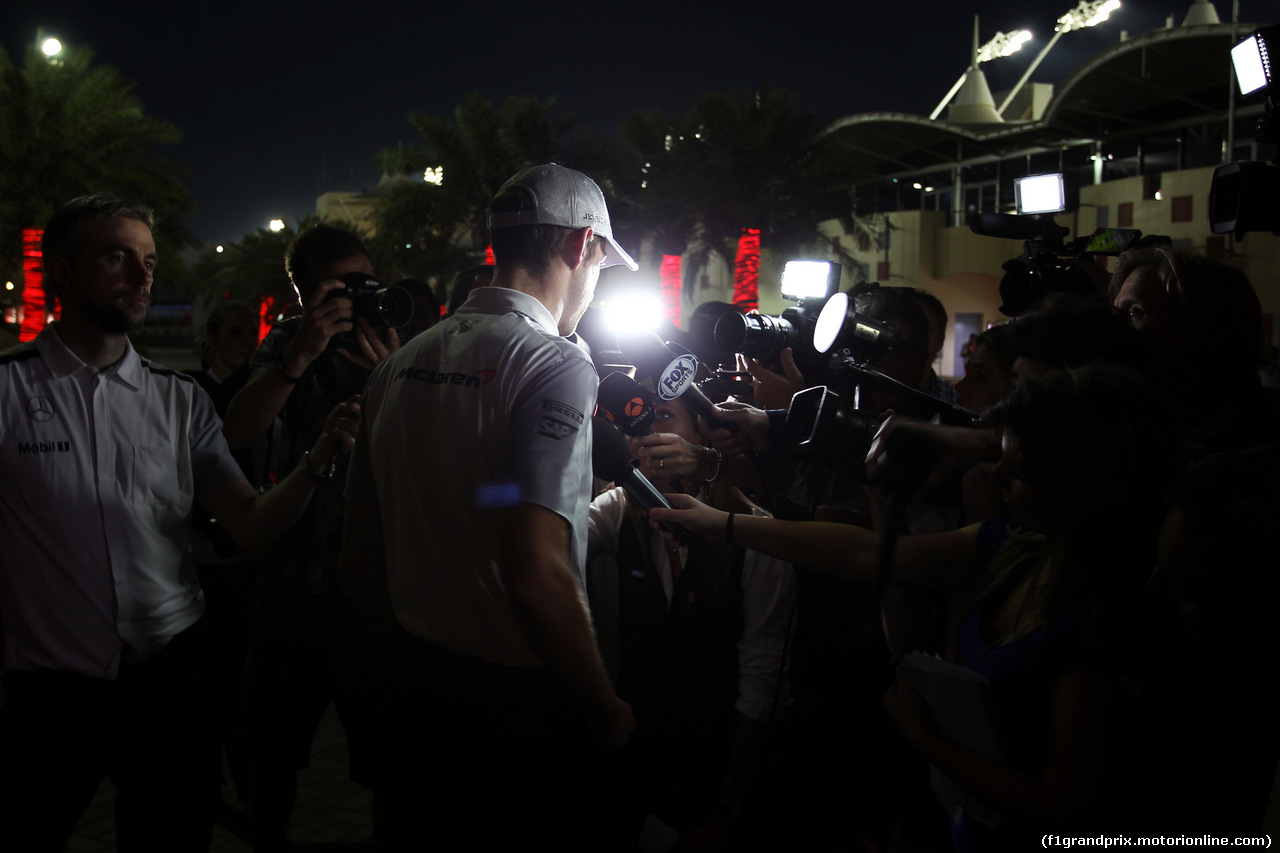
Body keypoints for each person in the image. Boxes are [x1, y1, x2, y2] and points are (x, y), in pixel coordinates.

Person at [653, 364, 1180, 849]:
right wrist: (720, 523)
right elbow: (866, 557)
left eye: (1017, 471)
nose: (996, 479)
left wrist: (923, 737)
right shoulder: (1012, 545)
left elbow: (1065, 805)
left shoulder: (1101, 613)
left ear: (1077, 482)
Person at [0, 194, 354, 851]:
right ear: (63, 272)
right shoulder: (9, 393)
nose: (142, 277)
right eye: (117, 257)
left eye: (150, 261)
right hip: (47, 694)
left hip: (170, 686)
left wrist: (317, 461)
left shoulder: (178, 399)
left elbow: (248, 522)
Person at [339, 163, 638, 847]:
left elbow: (360, 557)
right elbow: (537, 573)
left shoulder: (398, 363)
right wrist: (603, 704)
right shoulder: (553, 364)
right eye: (601, 265)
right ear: (580, 244)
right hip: (519, 711)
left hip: (416, 693)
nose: (595, 287)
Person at [221, 223, 395, 850]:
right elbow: (238, 430)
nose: (361, 297)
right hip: (292, 583)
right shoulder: (287, 344)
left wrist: (392, 377)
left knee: (388, 768)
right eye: (346, 286)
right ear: (306, 293)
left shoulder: (395, 345)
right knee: (271, 761)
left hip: (372, 591)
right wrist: (298, 355)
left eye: (367, 281)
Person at [589, 394, 795, 847]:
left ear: (704, 435)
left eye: (663, 416)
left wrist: (728, 812)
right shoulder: (618, 508)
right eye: (635, 424)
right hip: (635, 758)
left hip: (716, 762)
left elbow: (762, 682)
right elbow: (559, 543)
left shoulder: (756, 530)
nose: (646, 433)